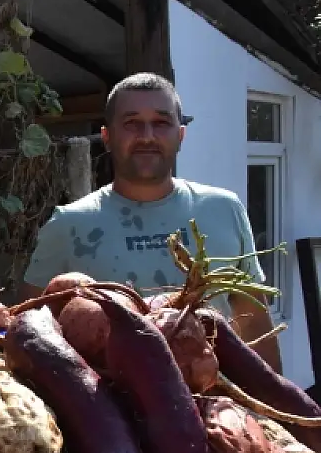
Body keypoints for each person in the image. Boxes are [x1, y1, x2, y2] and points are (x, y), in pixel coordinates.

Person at [21, 72, 283, 373]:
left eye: (161, 123)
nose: (147, 135)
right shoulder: (68, 225)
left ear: (180, 135)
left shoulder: (224, 209)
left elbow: (256, 328)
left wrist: (283, 416)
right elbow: (30, 334)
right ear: (107, 137)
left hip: (218, 407)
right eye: (132, 123)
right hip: (111, 412)